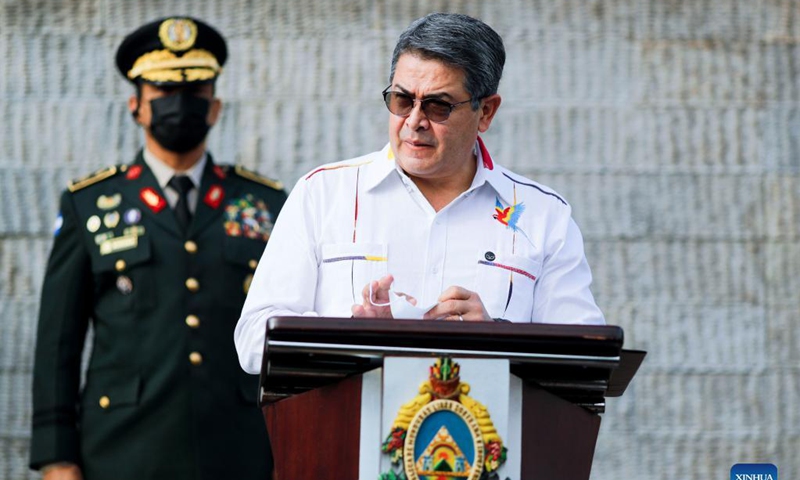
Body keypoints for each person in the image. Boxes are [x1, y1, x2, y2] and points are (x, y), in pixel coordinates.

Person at [234, 12, 605, 375]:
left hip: (484, 433)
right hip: (345, 429)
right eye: (401, 100)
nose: (414, 121)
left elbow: (588, 359)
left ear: (486, 112)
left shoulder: (542, 214)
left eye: (437, 106)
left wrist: (496, 339)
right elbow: (252, 342)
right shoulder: (323, 194)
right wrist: (352, 333)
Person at [29, 17, 285, 480]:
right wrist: (57, 459)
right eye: (163, 93)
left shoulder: (265, 204)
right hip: (123, 451)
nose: (179, 105)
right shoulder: (91, 204)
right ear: (136, 106)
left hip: (239, 449)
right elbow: (58, 343)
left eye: (195, 93)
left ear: (215, 107)